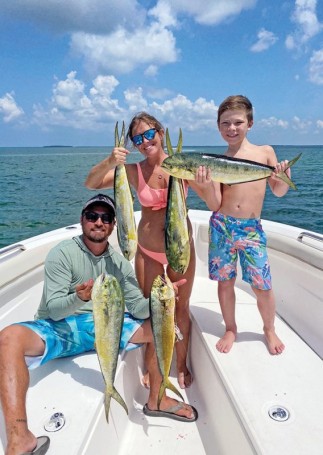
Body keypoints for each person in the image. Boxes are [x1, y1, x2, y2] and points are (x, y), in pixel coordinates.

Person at [0, 194, 197, 455]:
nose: (98, 222)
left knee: (162, 323)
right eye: (92, 216)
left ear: (114, 225)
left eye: (105, 217)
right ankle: (20, 438)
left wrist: (162, 298)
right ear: (82, 220)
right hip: (62, 327)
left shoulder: (118, 262)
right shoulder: (62, 254)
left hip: (108, 325)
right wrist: (79, 297)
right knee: (8, 337)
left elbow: (138, 307)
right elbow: (56, 310)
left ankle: (157, 400)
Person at [85, 113, 199, 389]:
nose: (145, 142)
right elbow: (91, 182)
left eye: (149, 134)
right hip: (147, 250)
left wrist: (204, 181)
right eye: (137, 139)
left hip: (180, 249)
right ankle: (155, 363)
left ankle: (180, 363)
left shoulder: (182, 167)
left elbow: (215, 194)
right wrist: (111, 161)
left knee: (180, 307)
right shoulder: (134, 172)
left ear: (160, 132)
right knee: (152, 309)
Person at [195, 95, 289, 355]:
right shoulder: (217, 161)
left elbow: (278, 191)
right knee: (225, 282)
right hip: (222, 226)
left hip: (251, 229)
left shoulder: (265, 152)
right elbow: (215, 203)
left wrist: (283, 176)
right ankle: (231, 327)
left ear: (250, 123)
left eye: (237, 122)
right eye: (225, 123)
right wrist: (204, 187)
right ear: (218, 126)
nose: (231, 128)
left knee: (262, 285)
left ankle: (268, 328)